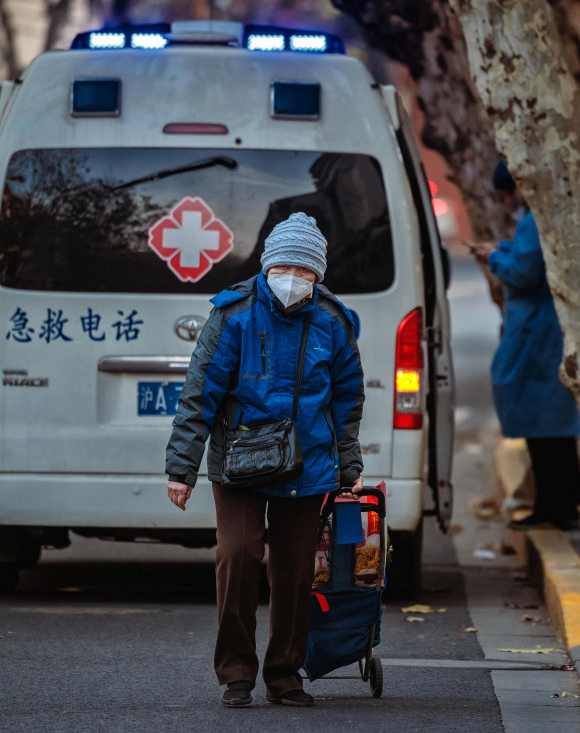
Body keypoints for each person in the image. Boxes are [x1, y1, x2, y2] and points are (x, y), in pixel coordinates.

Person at [165, 212, 364, 708]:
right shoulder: (233, 315)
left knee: (295, 571)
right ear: (267, 266)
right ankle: (236, 673)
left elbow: (347, 400)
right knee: (237, 557)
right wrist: (182, 468)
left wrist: (349, 467)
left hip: (309, 463)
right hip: (241, 463)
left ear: (318, 276)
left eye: (306, 272)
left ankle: (284, 674)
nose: (294, 280)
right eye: (286, 268)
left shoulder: (333, 322)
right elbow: (199, 394)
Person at [470, 162, 580, 530]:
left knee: (547, 428)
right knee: (551, 428)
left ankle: (557, 507)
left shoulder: (534, 222)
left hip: (538, 337)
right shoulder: (541, 221)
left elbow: (522, 271)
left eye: (505, 194)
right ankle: (556, 506)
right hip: (542, 334)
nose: (506, 202)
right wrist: (502, 249)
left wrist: (493, 257)